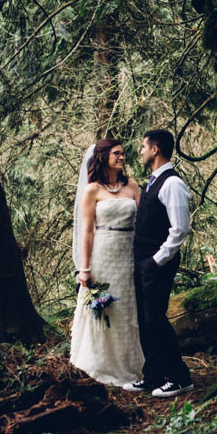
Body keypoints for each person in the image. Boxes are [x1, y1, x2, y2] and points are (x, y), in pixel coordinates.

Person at [123, 128, 193, 398]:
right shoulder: (153, 181)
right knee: (144, 320)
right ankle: (152, 375)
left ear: (156, 149)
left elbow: (180, 230)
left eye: (143, 146)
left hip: (157, 264)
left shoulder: (173, 183)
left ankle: (179, 377)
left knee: (155, 320)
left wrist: (156, 261)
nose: (140, 151)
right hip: (143, 262)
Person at [70, 137, 144, 386]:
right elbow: (87, 230)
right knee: (104, 309)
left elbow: (142, 222)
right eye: (116, 153)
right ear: (103, 158)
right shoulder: (92, 190)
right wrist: (85, 267)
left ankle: (131, 365)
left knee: (126, 307)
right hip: (102, 255)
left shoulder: (132, 186)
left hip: (128, 253)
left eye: (123, 153)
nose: (122, 157)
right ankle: (101, 365)